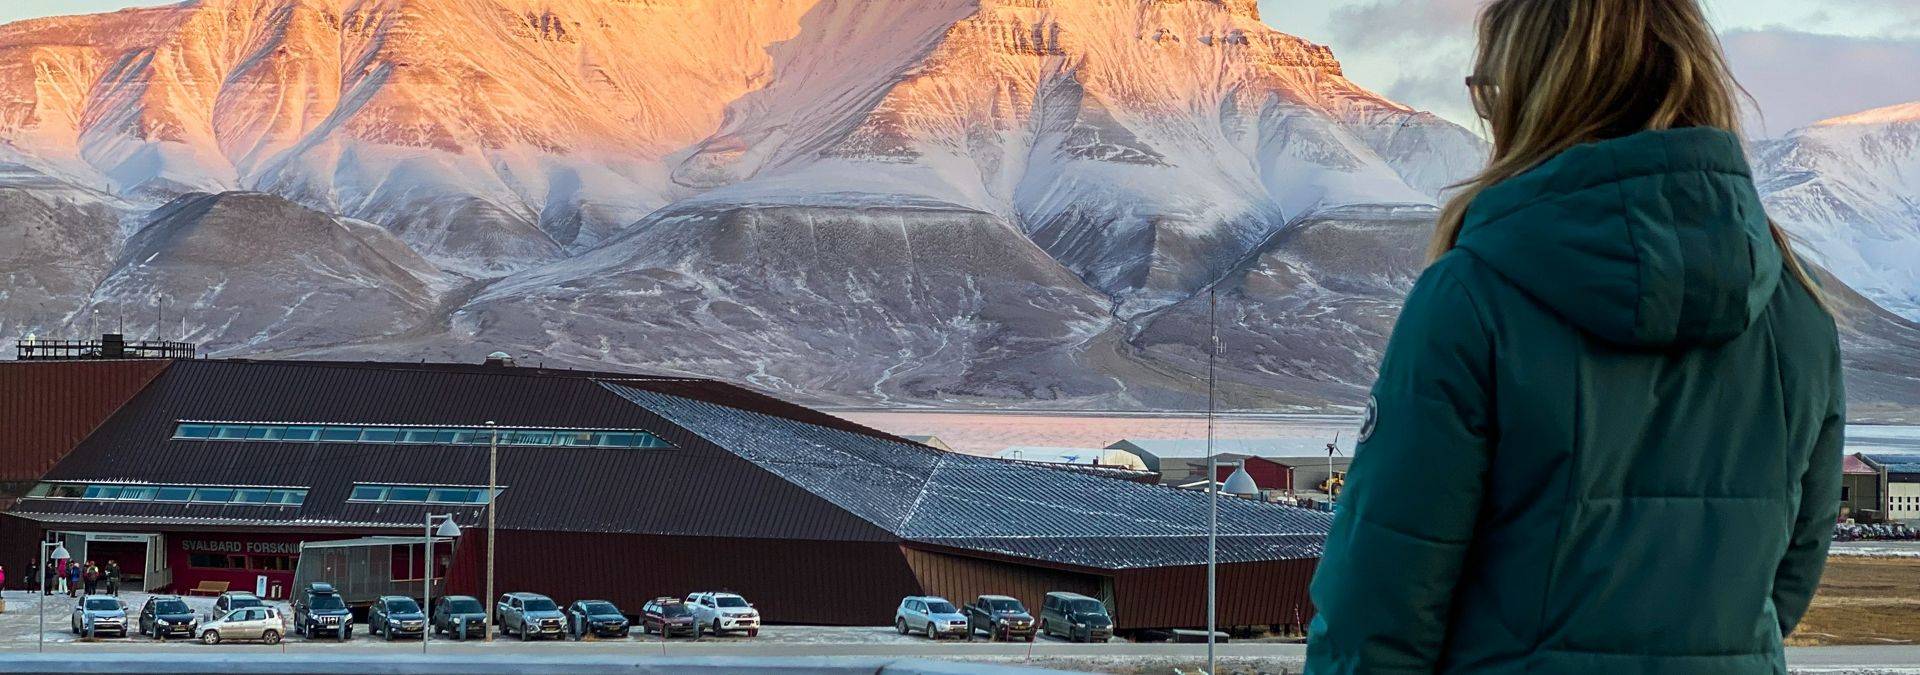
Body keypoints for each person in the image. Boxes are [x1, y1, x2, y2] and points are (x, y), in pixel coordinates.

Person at [1305, 1, 1842, 673]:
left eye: (1489, 91)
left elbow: (1376, 614)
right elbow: (1780, 585)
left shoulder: (1473, 297)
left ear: (1537, 94)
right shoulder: (1797, 308)